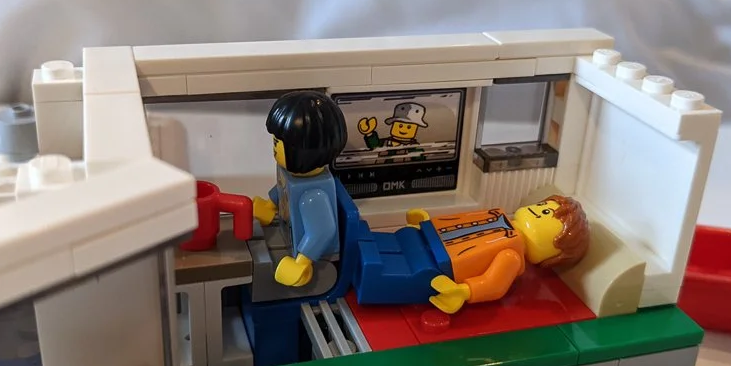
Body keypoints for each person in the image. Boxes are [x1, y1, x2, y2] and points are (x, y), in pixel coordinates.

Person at [355, 196, 590, 314]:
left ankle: (364, 272)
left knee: (381, 267)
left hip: (438, 267)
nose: (539, 212)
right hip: (423, 240)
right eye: (543, 207)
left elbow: (494, 284)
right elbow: (461, 223)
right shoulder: (500, 218)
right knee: (389, 240)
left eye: (548, 214)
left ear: (553, 251)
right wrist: (427, 224)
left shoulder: (511, 255)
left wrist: (464, 291)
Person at [252, 91, 349, 287]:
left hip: (318, 259)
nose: (274, 147)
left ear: (302, 150)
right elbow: (283, 188)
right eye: (275, 141)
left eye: (278, 143)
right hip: (288, 235)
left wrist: (302, 263)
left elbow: (322, 231)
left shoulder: (313, 195)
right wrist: (270, 205)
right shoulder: (291, 176)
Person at [357, 101, 427, 148]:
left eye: (409, 127)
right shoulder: (386, 142)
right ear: (393, 125)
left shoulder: (414, 146)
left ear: (415, 129)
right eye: (400, 126)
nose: (403, 129)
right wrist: (369, 133)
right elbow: (374, 145)